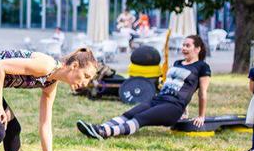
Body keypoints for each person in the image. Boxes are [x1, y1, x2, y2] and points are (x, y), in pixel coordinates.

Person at [77, 35, 211, 140]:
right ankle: (99, 127)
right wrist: (185, 112)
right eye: (183, 45)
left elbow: (202, 93)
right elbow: (180, 86)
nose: (184, 48)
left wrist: (201, 116)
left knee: (141, 118)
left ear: (197, 49)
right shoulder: (177, 63)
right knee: (128, 114)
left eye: (188, 46)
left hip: (173, 107)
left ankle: (104, 132)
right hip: (158, 99)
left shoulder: (202, 67)